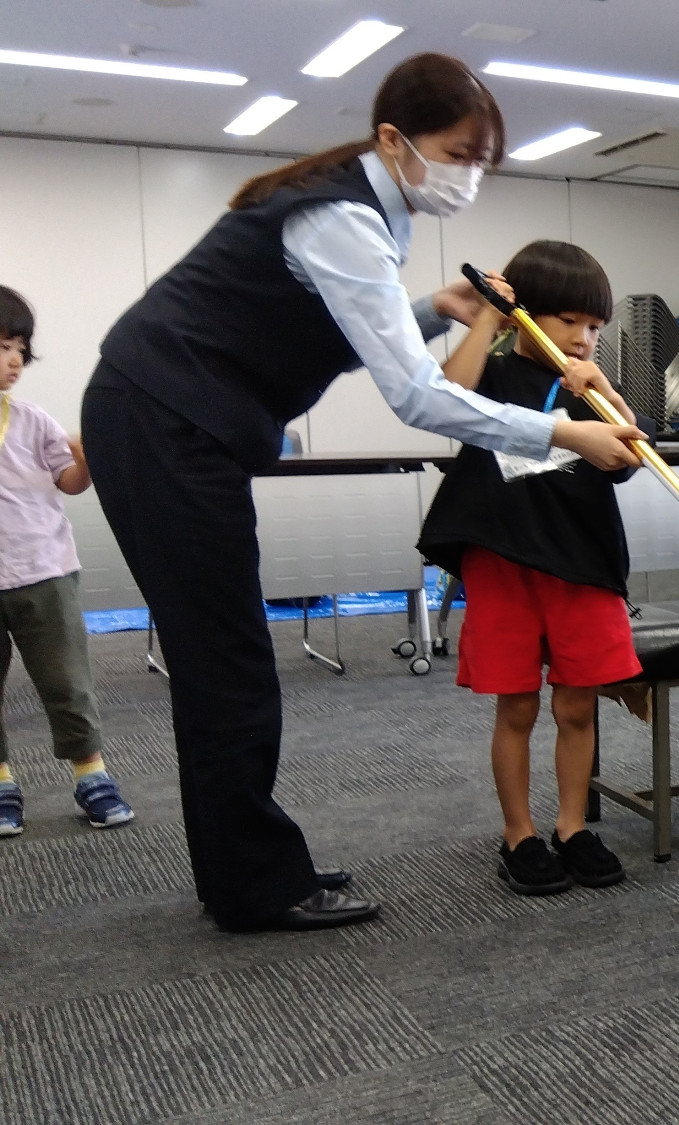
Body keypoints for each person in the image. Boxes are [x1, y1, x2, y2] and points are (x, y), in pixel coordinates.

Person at [81, 53, 645, 932]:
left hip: (169, 419)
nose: (468, 176)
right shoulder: (343, 217)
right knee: (226, 658)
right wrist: (566, 431)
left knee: (219, 656)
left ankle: (241, 870)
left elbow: (340, 336)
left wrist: (435, 307)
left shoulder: (367, 216)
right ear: (394, 140)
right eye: (457, 152)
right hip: (164, 419)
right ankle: (257, 883)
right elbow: (418, 396)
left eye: (482, 163)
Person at [417, 241, 650, 897]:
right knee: (516, 706)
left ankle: (571, 825)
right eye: (568, 321)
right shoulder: (493, 373)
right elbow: (446, 394)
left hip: (580, 560)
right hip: (505, 559)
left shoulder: (589, 386)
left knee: (578, 705)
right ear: (528, 315)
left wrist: (604, 388)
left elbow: (630, 457)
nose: (582, 338)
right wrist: (490, 317)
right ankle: (518, 832)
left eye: (595, 327)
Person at [0, 286, 134, 838]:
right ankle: (3, 783)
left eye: (21, 351)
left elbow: (71, 484)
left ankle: (91, 776)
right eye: (3, 346)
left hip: (44, 574)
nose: (14, 361)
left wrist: (89, 456)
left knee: (67, 683)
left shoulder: (33, 422)